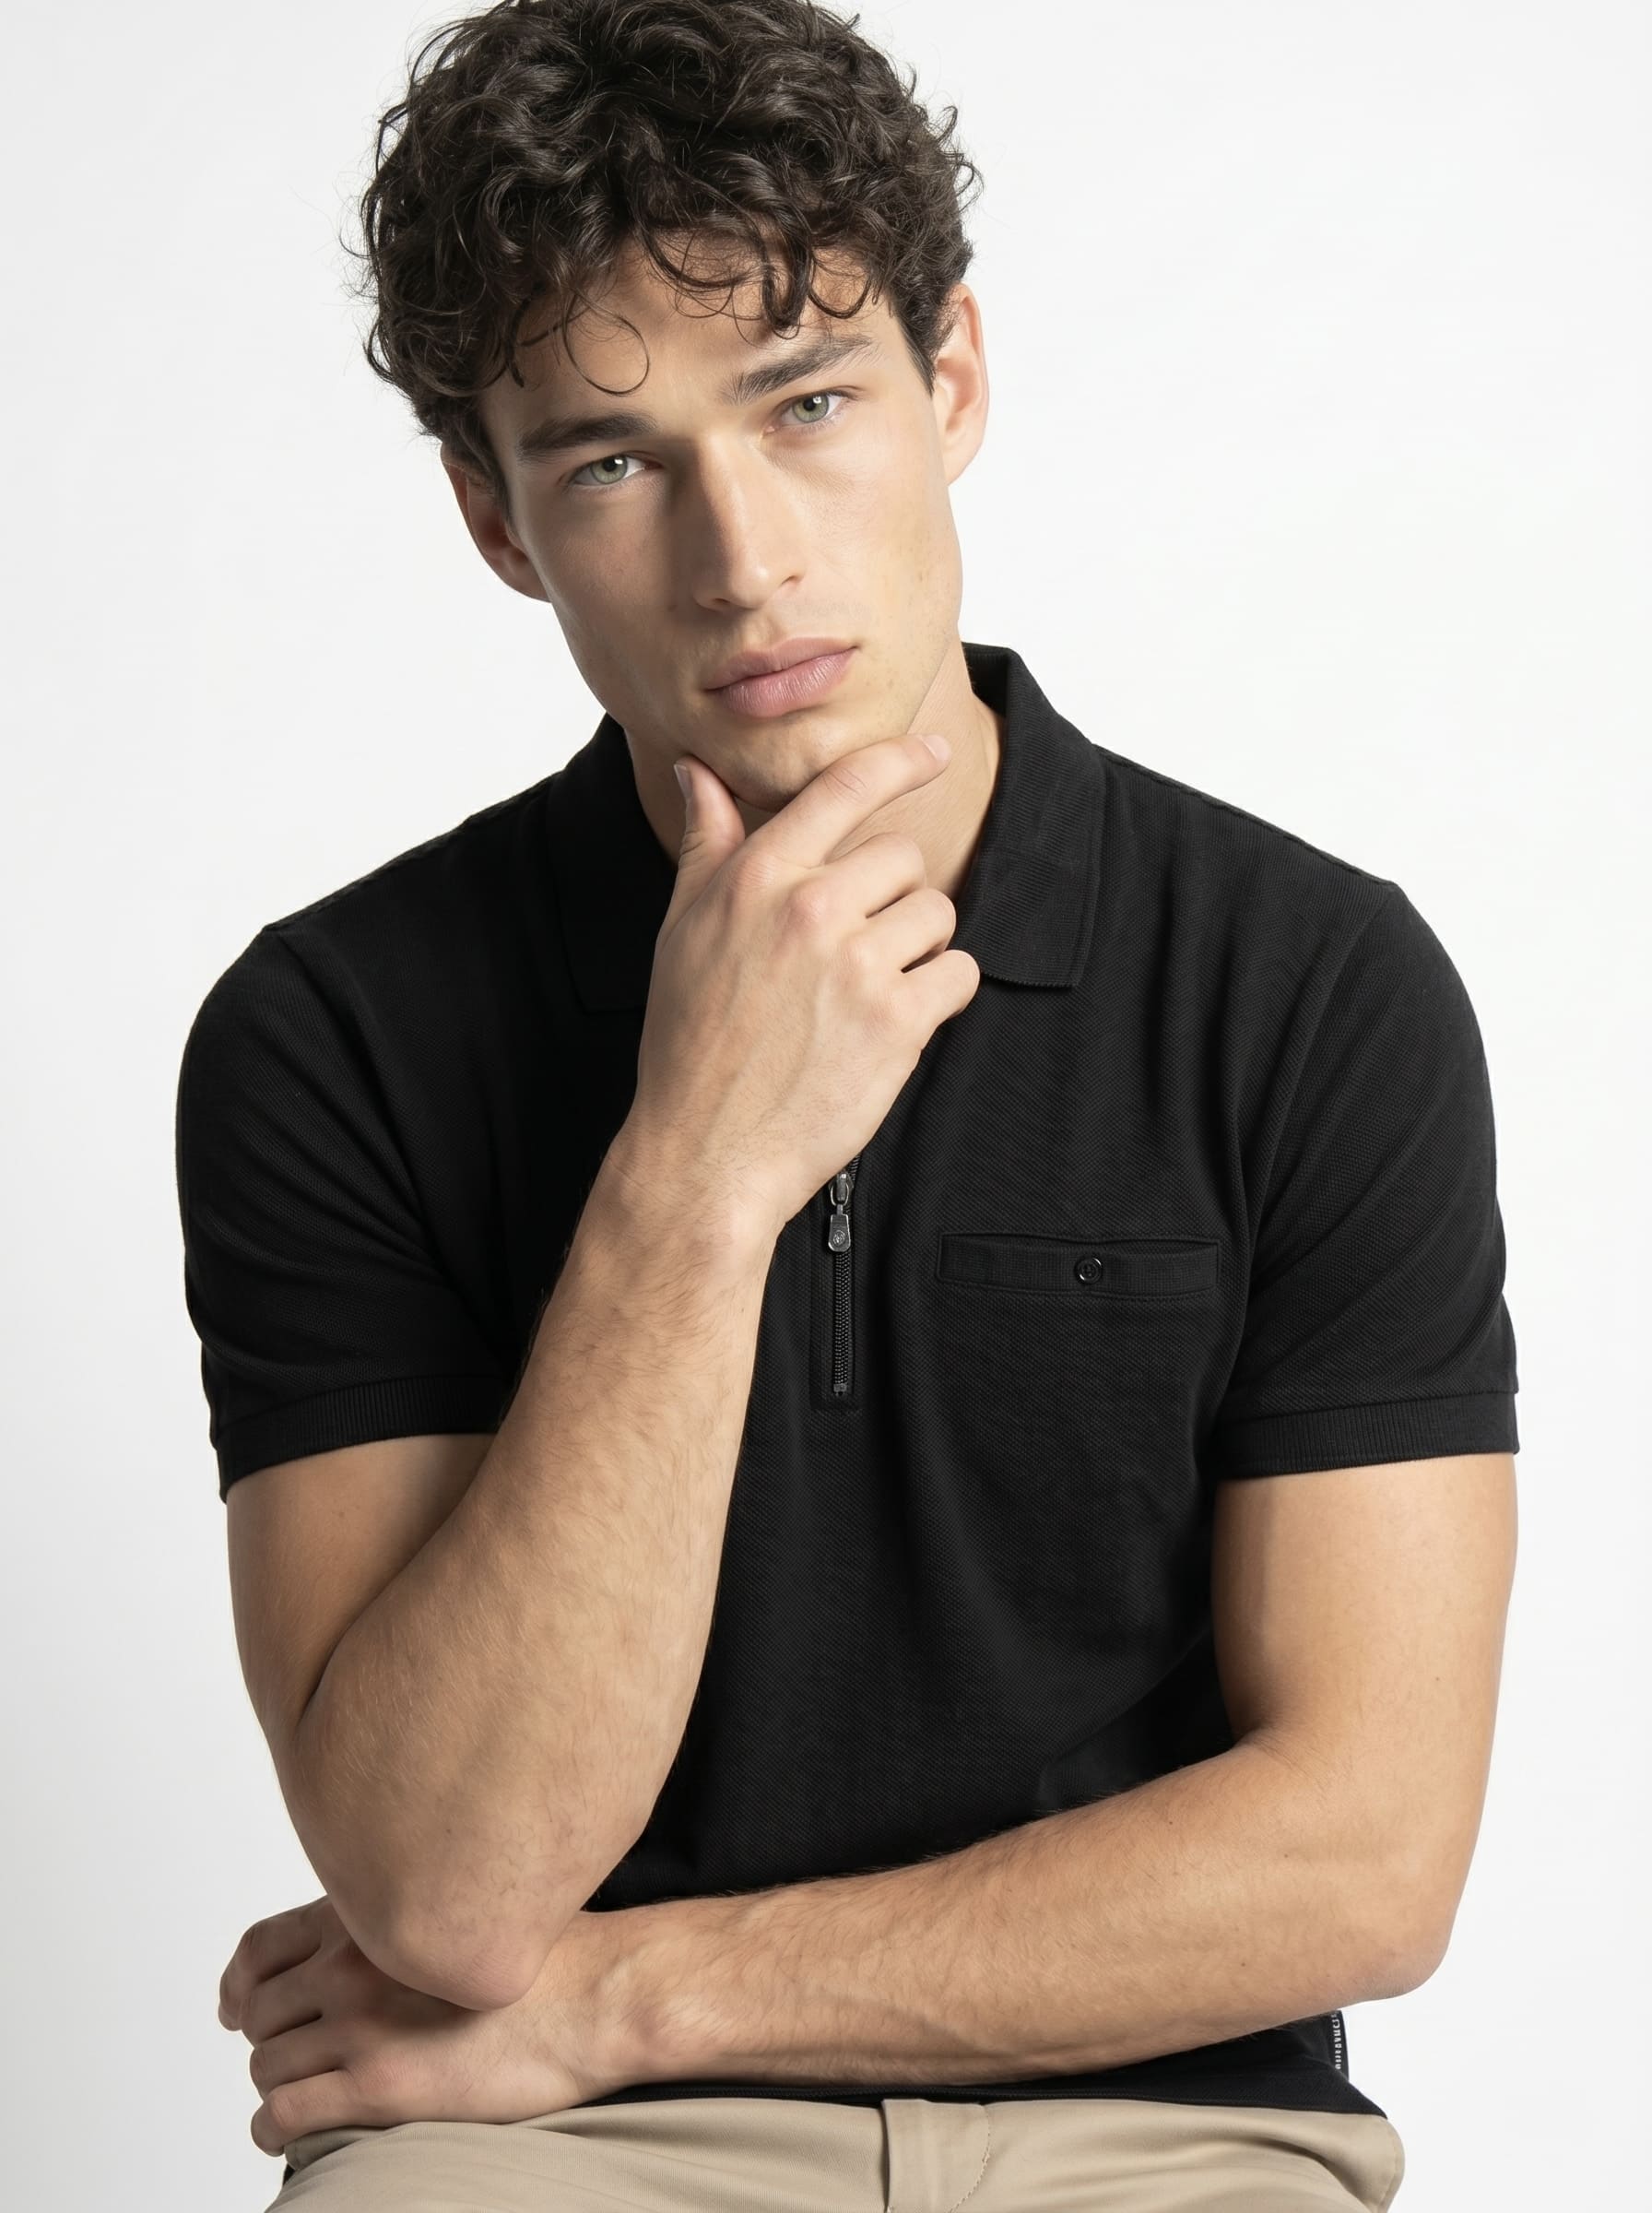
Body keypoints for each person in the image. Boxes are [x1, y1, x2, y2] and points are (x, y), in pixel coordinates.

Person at [176, 3, 1520, 2207]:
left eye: (806, 406)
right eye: (610, 462)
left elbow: (1362, 1855)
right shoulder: (331, 1031)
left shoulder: (1308, 983)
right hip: (554, 2146)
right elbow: (446, 1889)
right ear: (495, 521)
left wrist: (630, 1995)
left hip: (1161, 2119)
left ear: (949, 380)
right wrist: (696, 1172)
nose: (742, 559)